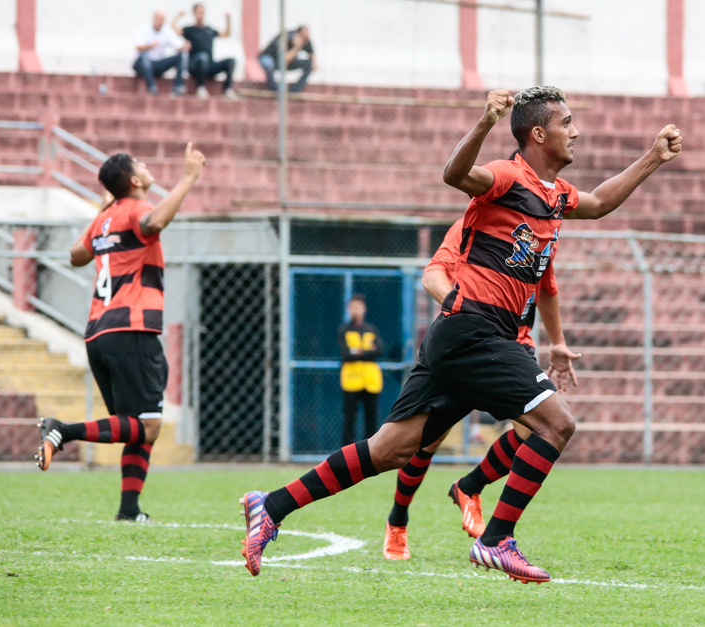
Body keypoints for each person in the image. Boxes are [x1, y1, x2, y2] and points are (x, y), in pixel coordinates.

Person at [238, 86, 682, 580]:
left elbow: (598, 203)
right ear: (539, 133)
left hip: (464, 336)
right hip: (476, 331)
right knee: (556, 424)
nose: (576, 131)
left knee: (390, 450)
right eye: (567, 123)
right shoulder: (510, 175)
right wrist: (486, 121)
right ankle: (495, 540)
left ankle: (272, 505)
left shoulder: (555, 196)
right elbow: (456, 175)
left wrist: (652, 158)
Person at [382, 217, 582, 560]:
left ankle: (469, 486)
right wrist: (469, 312)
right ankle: (398, 519)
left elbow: (546, 289)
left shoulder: (540, 234)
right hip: (468, 342)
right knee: (425, 440)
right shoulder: (476, 224)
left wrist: (558, 342)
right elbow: (433, 275)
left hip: (515, 345)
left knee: (532, 429)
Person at [36, 143, 207, 522]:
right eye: (140, 164)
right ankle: (63, 430)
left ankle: (129, 511)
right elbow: (155, 223)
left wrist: (103, 211)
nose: (147, 166)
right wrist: (189, 178)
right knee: (147, 425)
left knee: (135, 426)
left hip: (99, 331)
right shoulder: (137, 208)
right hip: (132, 327)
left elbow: (76, 255)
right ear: (134, 180)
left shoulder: (105, 216)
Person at [337, 294, 384, 446]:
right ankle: (347, 452)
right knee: (349, 418)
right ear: (349, 309)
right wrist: (367, 351)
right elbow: (345, 354)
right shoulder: (344, 330)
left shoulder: (371, 329)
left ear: (364, 309)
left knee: (371, 418)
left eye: (359, 306)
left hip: (371, 380)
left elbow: (379, 350)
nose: (356, 310)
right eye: (353, 307)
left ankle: (369, 450)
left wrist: (357, 351)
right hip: (351, 379)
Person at [174, 4, 239, 100]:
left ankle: (227, 89)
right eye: (199, 12)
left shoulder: (209, 30)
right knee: (202, 57)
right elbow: (174, 30)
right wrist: (178, 16)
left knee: (231, 61)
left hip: (209, 65)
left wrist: (228, 19)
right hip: (194, 66)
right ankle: (200, 87)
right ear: (194, 14)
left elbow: (226, 34)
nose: (201, 14)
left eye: (203, 12)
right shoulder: (189, 30)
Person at [133, 10, 190, 96]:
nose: (160, 21)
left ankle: (178, 86)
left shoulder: (166, 30)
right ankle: (151, 87)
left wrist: (185, 46)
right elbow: (138, 47)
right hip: (141, 65)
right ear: (154, 19)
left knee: (182, 55)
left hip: (157, 65)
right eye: (159, 19)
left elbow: (178, 45)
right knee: (144, 54)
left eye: (162, 19)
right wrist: (150, 46)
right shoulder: (144, 28)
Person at [258, 25, 315, 93]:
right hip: (271, 58)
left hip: (286, 62)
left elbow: (312, 52)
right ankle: (275, 89)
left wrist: (313, 62)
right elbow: (284, 59)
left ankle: (295, 90)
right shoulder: (286, 37)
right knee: (268, 64)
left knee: (309, 64)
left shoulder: (305, 40)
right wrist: (296, 47)